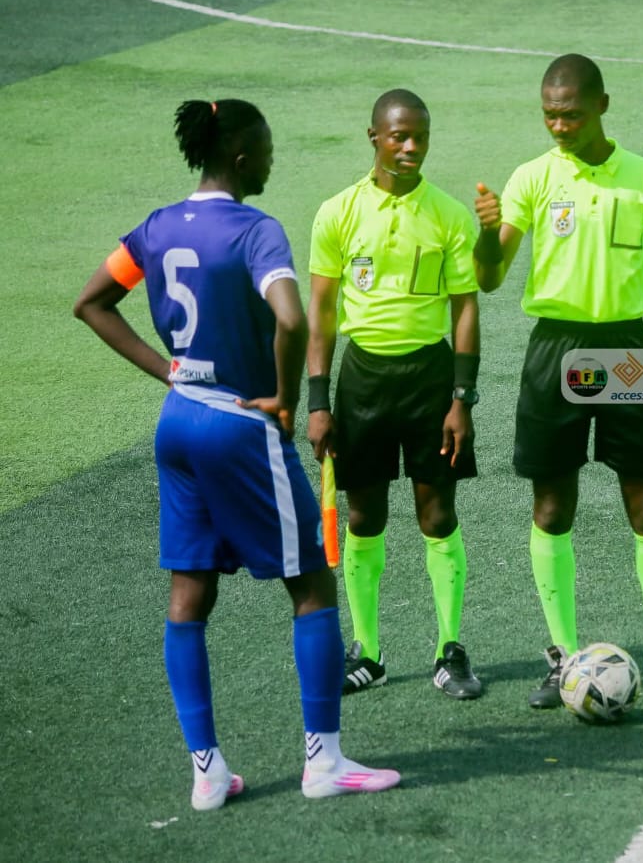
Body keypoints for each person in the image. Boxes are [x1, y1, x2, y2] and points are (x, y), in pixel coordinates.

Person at [73, 99, 399, 810]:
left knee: (189, 598)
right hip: (236, 425)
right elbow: (291, 316)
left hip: (178, 420)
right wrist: (283, 398)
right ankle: (324, 762)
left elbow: (92, 302)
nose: (275, 158)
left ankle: (208, 773)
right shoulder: (256, 232)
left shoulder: (157, 227)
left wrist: (168, 369)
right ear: (244, 157)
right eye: (269, 148)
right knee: (311, 583)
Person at [472, 53, 643, 710]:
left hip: (627, 348)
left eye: (571, 113)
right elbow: (489, 275)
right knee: (552, 509)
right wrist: (488, 235)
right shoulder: (532, 178)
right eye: (549, 114)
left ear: (604, 104)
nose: (559, 125)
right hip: (556, 347)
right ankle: (563, 657)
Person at [306, 89, 483, 700]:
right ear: (374, 137)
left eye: (420, 137)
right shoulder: (337, 213)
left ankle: (449, 650)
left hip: (430, 381)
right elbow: (322, 313)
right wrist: (317, 401)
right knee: (364, 517)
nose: (410, 147)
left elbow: (465, 310)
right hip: (362, 382)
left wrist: (463, 399)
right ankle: (370, 651)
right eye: (399, 136)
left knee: (438, 515)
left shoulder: (450, 216)